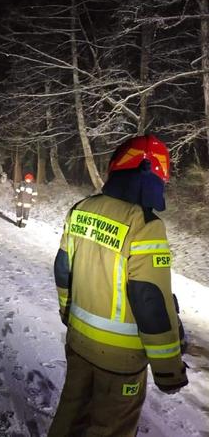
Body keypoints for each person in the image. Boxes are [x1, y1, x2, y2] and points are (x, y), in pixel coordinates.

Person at [48, 135, 188, 437]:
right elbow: (149, 299)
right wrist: (168, 369)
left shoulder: (81, 209)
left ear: (116, 167)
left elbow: (62, 269)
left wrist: (66, 312)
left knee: (69, 418)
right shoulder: (146, 225)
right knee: (110, 430)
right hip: (120, 361)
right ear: (156, 176)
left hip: (78, 340)